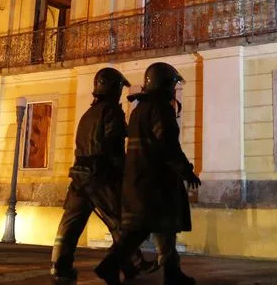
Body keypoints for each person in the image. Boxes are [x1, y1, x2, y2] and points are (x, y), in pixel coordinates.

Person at [95, 62, 198, 285]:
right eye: (172, 84)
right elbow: (169, 145)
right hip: (155, 183)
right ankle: (109, 265)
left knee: (161, 227)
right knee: (144, 229)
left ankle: (172, 273)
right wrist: (186, 171)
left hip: (139, 181)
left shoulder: (139, 109)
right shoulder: (161, 109)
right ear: (166, 84)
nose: (173, 89)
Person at [50, 67, 152, 283]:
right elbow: (114, 146)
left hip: (78, 177)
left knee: (70, 224)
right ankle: (134, 263)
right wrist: (125, 176)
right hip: (100, 178)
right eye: (118, 88)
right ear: (112, 88)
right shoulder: (112, 111)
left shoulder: (87, 114)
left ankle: (59, 266)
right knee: (119, 221)